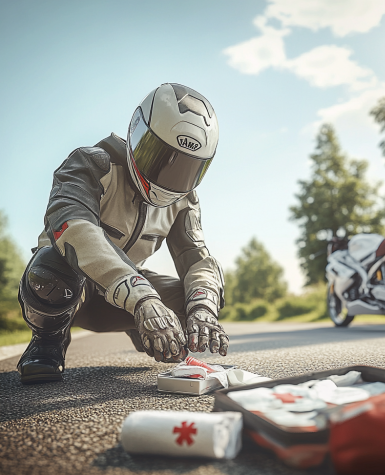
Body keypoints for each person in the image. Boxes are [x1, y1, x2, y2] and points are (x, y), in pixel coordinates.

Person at [17, 83, 228, 384]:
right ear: (137, 134)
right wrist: (143, 298)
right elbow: (73, 228)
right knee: (48, 270)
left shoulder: (185, 199)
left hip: (127, 295)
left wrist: (203, 307)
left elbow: (197, 259)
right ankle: (49, 341)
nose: (171, 178)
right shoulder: (90, 163)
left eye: (187, 168)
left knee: (199, 292)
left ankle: (147, 331)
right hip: (75, 288)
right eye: (161, 157)